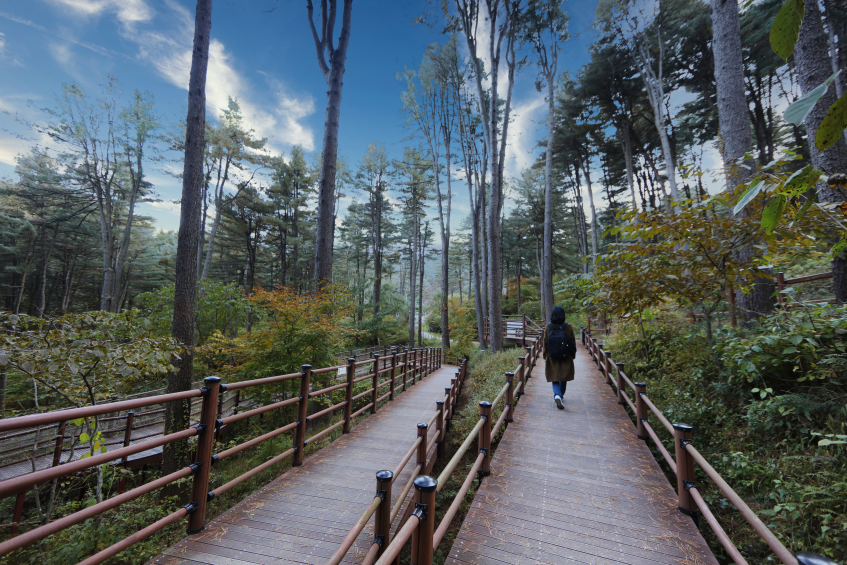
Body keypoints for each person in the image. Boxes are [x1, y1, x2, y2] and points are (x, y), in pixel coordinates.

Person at [540, 305, 576, 409]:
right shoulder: (568, 326)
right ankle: (560, 395)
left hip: (552, 356)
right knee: (563, 376)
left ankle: (557, 395)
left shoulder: (549, 326)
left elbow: (545, 342)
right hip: (566, 355)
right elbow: (572, 341)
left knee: (554, 377)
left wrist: (545, 355)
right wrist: (572, 355)